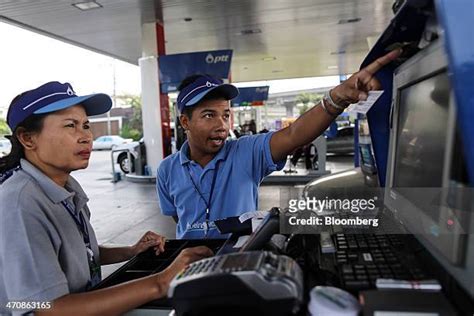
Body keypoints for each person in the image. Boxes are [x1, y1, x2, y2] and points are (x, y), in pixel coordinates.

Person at [0, 82, 212, 315]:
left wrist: (130, 251)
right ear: (28, 139)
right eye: (71, 126)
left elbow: (78, 252)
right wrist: (160, 283)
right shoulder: (19, 204)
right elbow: (43, 309)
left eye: (86, 125)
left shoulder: (65, 185)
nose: (86, 137)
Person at [157, 49, 401, 239]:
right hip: (185, 267)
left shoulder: (245, 152)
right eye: (209, 115)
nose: (222, 125)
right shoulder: (166, 170)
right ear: (185, 122)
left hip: (238, 264)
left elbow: (294, 134)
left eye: (225, 115)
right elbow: (180, 219)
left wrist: (336, 99)